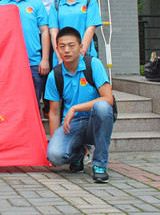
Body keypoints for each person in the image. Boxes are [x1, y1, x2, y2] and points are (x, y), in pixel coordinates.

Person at [45, 27, 114, 183]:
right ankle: (79, 154)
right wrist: (56, 140)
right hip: (72, 124)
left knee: (102, 107)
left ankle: (100, 165)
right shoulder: (55, 75)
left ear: (81, 47)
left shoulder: (93, 65)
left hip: (94, 120)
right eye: (62, 46)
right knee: (55, 155)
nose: (66, 50)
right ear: (57, 49)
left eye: (71, 45)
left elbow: (108, 99)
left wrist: (75, 108)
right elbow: (54, 113)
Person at [0, 0, 50, 106]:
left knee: (34, 104)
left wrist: (44, 59)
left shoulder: (36, 4)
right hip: (8, 63)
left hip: (33, 62)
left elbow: (45, 32)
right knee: (11, 104)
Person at [24, 0, 63, 116]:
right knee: (33, 68)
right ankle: (32, 105)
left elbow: (58, 3)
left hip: (51, 29)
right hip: (31, 30)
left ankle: (48, 106)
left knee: (51, 67)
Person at [49, 0, 102, 64]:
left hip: (85, 57)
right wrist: (60, 57)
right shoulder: (56, 5)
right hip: (61, 59)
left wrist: (80, 55)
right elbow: (54, 32)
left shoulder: (89, 1)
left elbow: (90, 29)